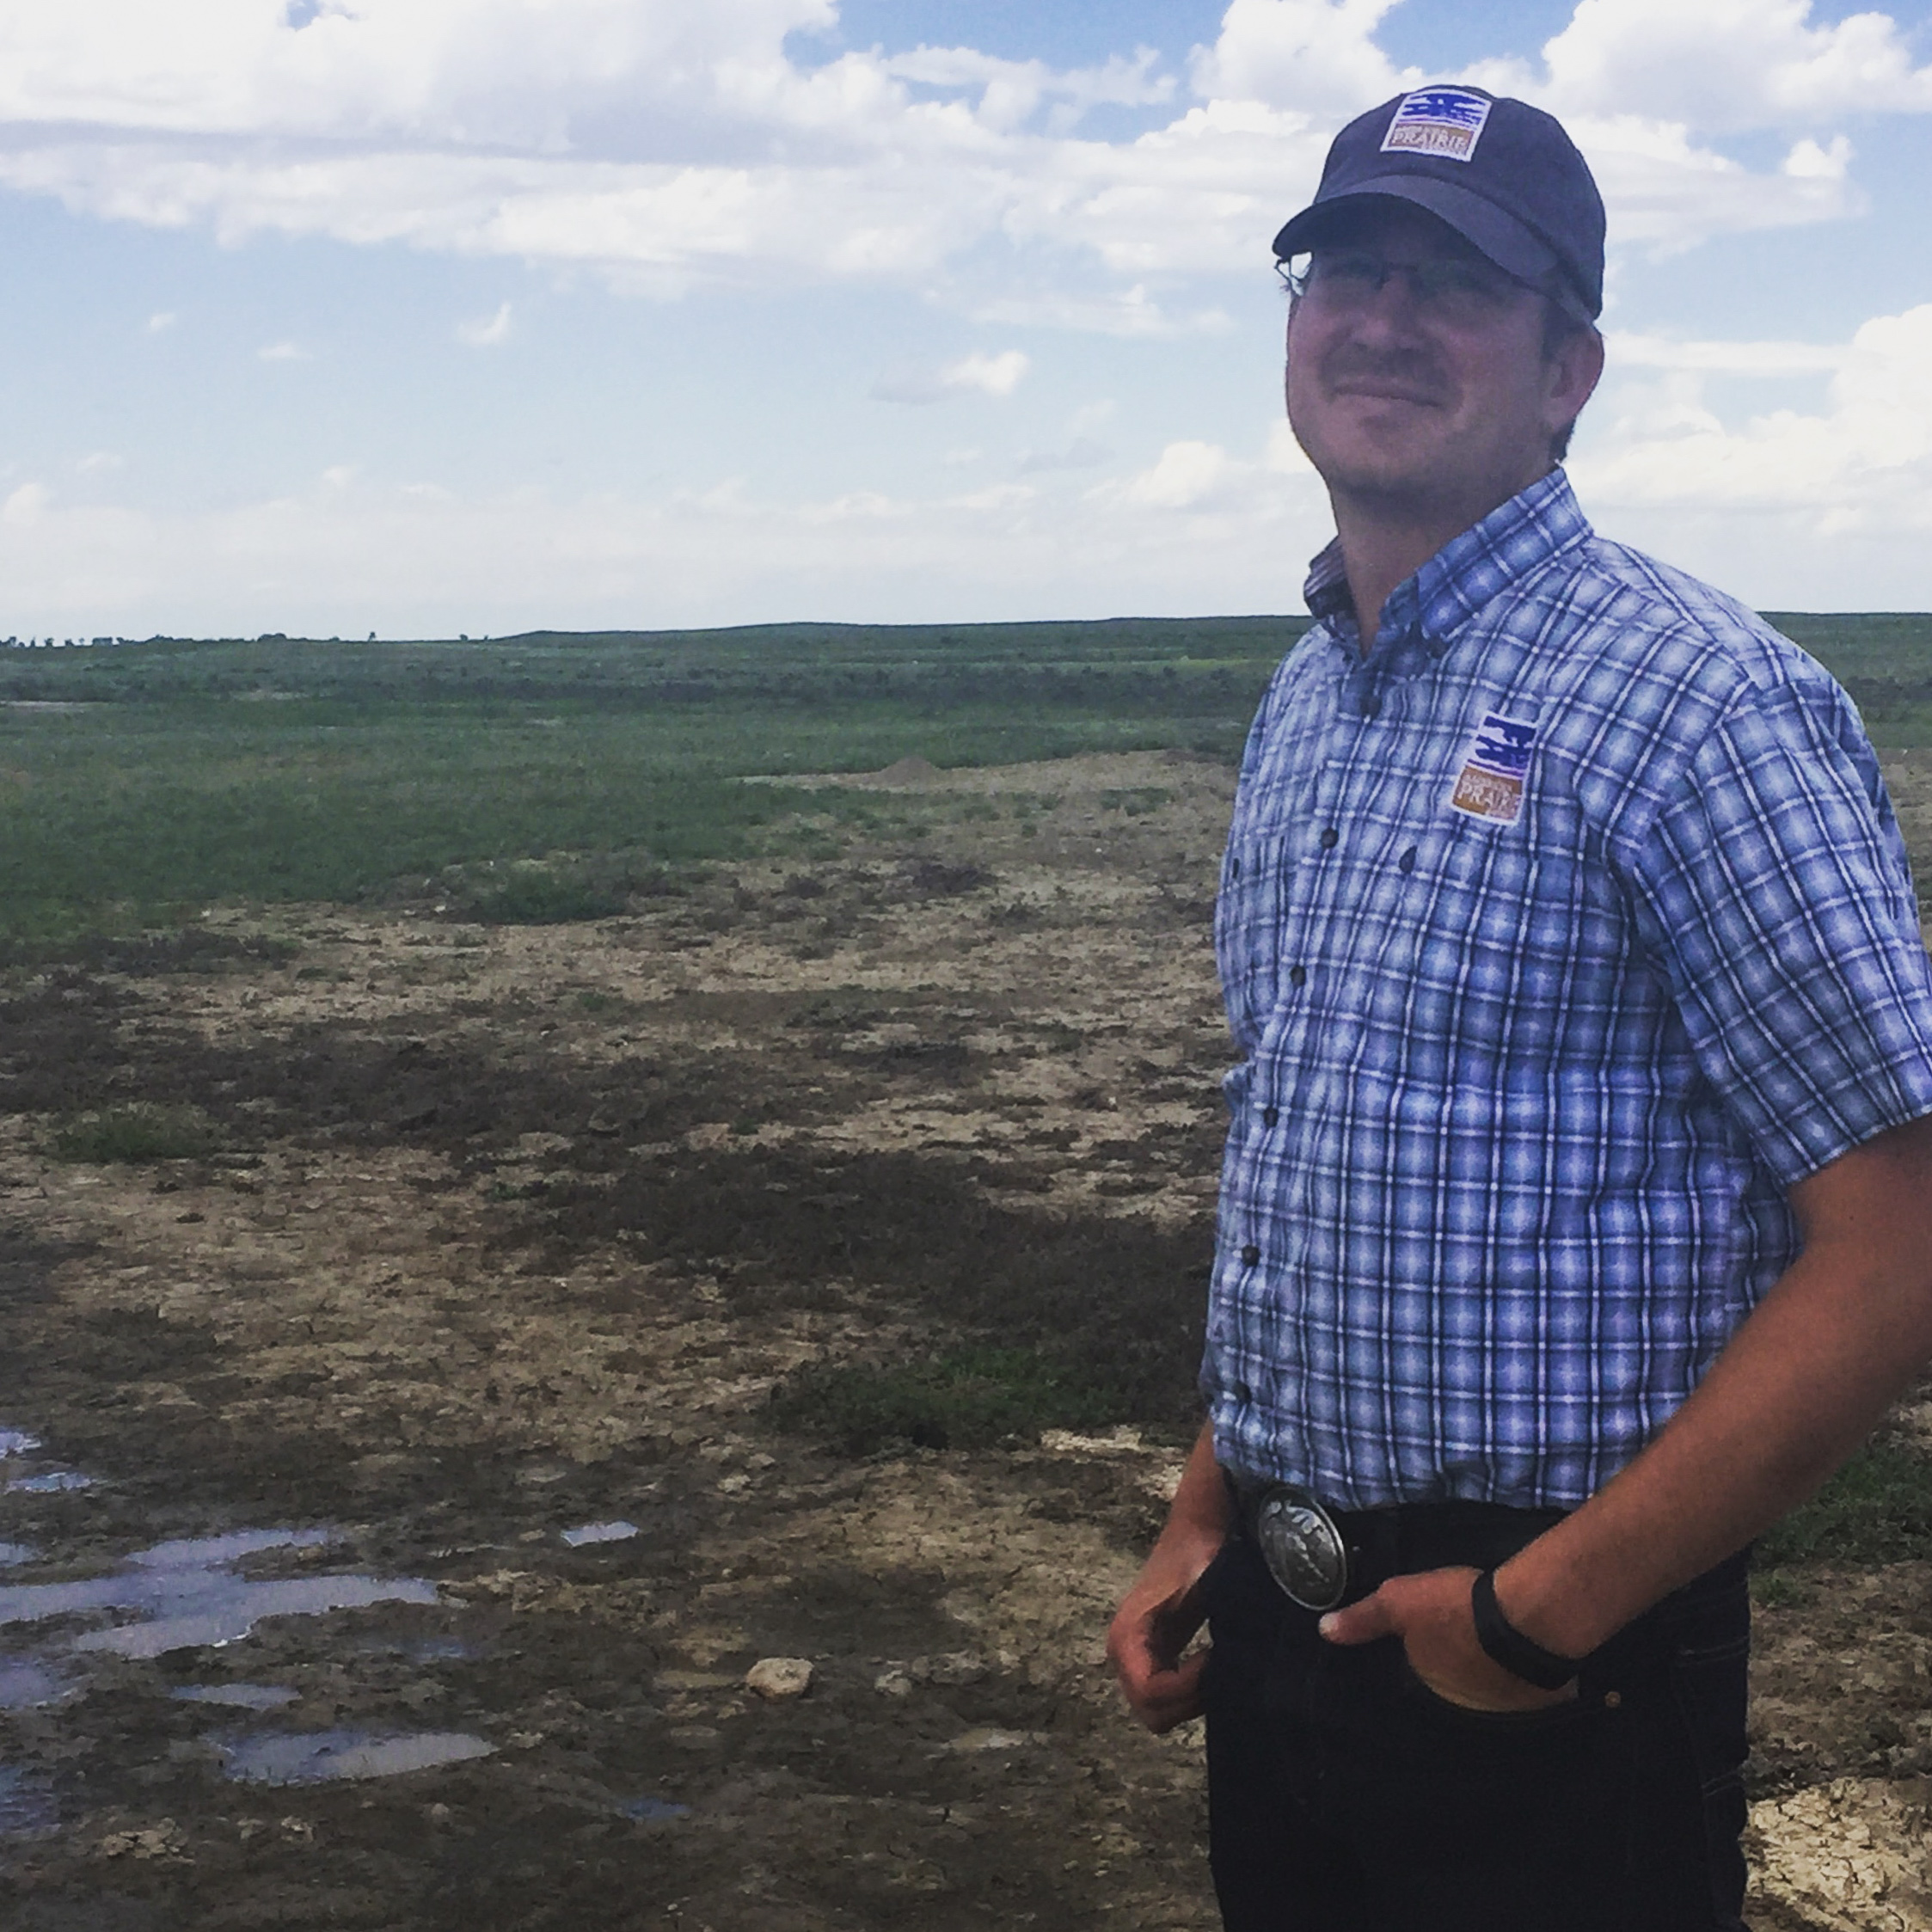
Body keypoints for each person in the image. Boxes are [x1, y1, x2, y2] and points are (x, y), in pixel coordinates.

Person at [1107, 83, 1932, 1932]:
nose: (1382, 320)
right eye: (1346, 270)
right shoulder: (1309, 702)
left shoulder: (1699, 701)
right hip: (1285, 1610)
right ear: (1291, 325)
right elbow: (1316, 1163)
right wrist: (1203, 1511)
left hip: (1551, 1659)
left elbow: (1895, 1238)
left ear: (1568, 368)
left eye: (1454, 285)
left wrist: (1529, 1612)